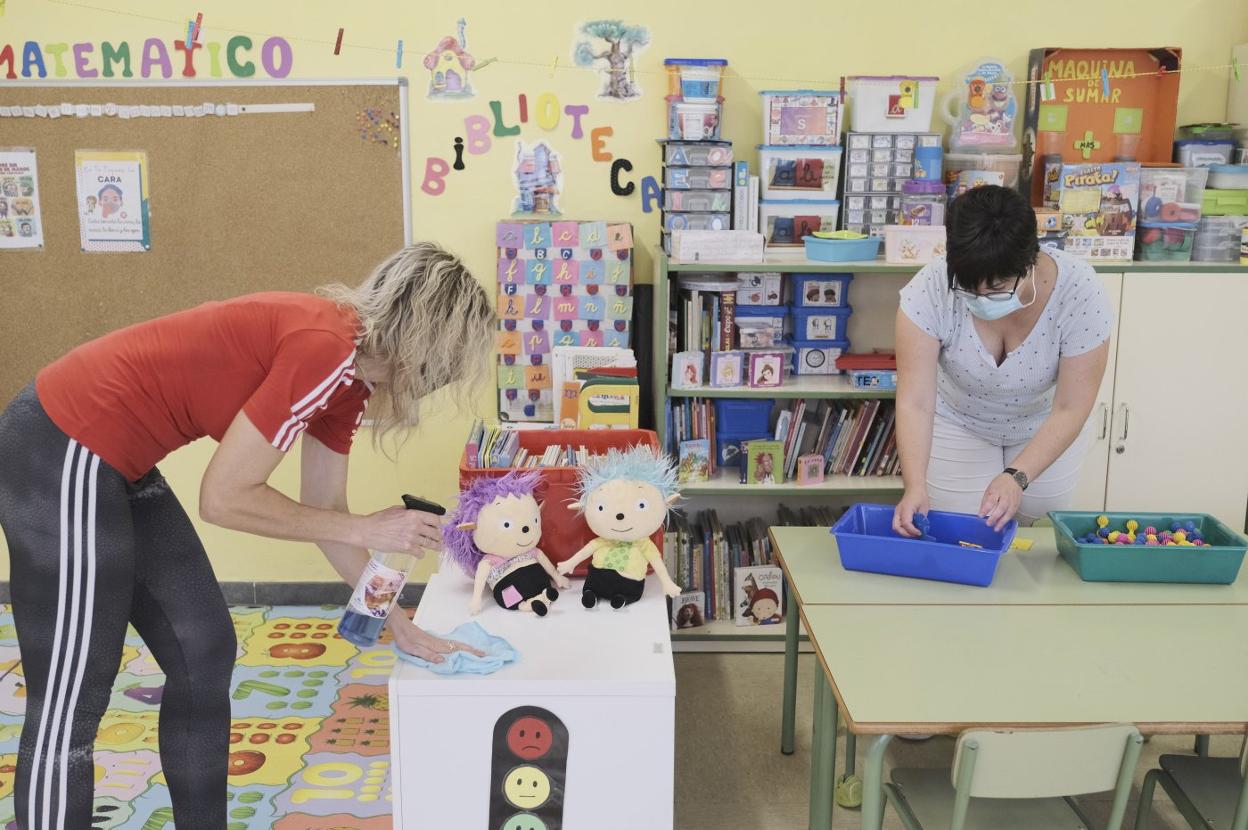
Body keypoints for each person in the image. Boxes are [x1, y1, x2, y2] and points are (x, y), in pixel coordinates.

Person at [0, 242, 494, 829]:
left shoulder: (350, 383)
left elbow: (324, 508)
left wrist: (398, 622)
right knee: (73, 694)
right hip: (62, 444)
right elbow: (225, 498)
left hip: (119, 464)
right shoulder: (326, 348)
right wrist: (367, 526)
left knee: (203, 646)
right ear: (430, 343)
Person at [892, 186, 1112, 537]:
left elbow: (1071, 407)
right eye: (968, 286)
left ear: (1029, 263)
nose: (981, 298)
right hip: (960, 420)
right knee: (966, 532)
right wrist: (915, 485)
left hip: (1043, 423)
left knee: (1039, 523)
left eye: (997, 286)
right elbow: (915, 402)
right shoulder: (930, 288)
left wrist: (1017, 476)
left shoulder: (1080, 291)